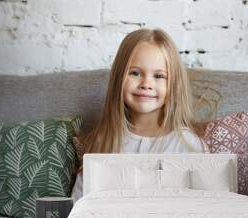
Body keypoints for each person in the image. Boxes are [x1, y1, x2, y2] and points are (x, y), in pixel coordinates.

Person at [71, 28, 210, 202]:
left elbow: (205, 210)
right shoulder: (103, 141)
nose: (146, 84)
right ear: (119, 78)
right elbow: (78, 204)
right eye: (135, 73)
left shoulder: (188, 145)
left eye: (159, 76)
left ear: (173, 85)